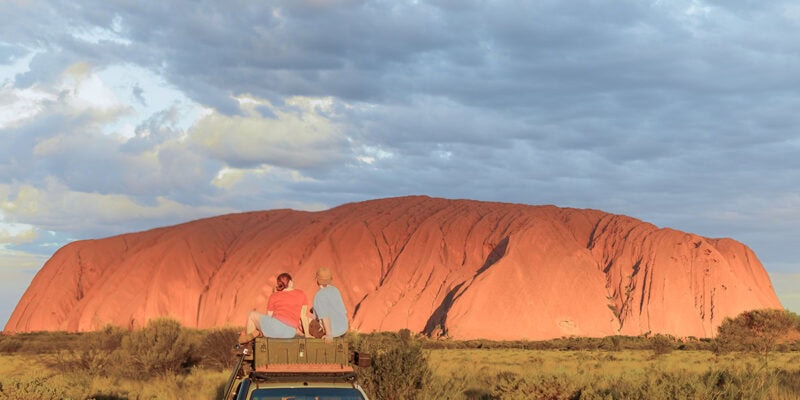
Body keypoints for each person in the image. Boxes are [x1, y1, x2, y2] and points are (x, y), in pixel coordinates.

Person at [240, 272, 308, 343]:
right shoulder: (301, 294)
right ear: (290, 282)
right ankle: (257, 333)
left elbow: (269, 316)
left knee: (251, 314)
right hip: (290, 333)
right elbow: (303, 317)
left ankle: (249, 347)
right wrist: (307, 334)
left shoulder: (274, 296)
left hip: (274, 329)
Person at [311, 267, 348, 342]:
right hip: (343, 328)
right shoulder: (335, 290)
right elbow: (343, 311)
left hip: (333, 332)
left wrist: (329, 334)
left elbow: (325, 316)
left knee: (311, 325)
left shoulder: (319, 295)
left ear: (317, 281)